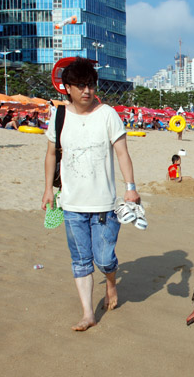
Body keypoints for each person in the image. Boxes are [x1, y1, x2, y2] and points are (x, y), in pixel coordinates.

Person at [41, 57, 140, 332]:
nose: (87, 90)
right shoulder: (59, 116)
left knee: (104, 258)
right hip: (71, 204)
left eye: (91, 84)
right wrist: (48, 189)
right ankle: (88, 313)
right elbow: (51, 155)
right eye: (81, 85)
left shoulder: (107, 114)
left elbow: (122, 153)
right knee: (81, 260)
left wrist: (130, 188)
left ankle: (110, 282)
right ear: (68, 88)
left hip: (104, 205)